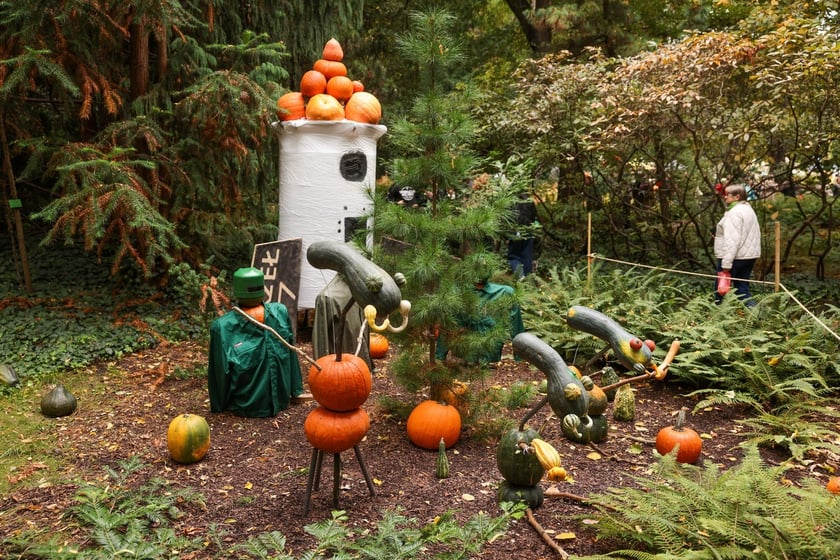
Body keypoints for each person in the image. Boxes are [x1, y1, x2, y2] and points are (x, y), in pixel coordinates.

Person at [208, 267, 304, 417]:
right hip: (247, 408)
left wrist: (296, 390)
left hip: (282, 401)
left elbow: (291, 354)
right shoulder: (224, 328)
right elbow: (219, 372)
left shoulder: (279, 313)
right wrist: (218, 407)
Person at [713, 184, 761, 306]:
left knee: (721, 291)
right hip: (748, 256)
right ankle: (756, 315)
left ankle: (717, 315)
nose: (724, 197)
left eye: (727, 195)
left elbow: (732, 240)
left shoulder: (734, 213)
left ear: (737, 197)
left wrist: (726, 264)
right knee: (742, 291)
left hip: (735, 257)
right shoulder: (748, 210)